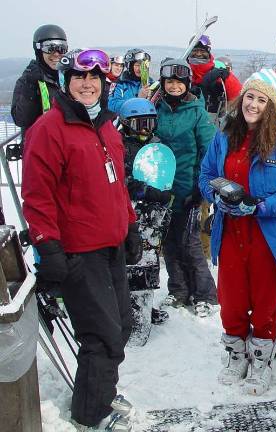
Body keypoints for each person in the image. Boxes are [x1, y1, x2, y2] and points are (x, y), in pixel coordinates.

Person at [21, 49, 138, 432]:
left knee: (119, 326)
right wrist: (48, 247)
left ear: (104, 84)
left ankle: (102, 393)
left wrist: (131, 226)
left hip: (111, 245)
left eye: (94, 79)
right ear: (67, 84)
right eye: (78, 79)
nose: (87, 85)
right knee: (101, 335)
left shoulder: (106, 126)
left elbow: (118, 185)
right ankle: (91, 414)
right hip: (78, 251)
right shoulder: (50, 129)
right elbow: (37, 197)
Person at [199, 68, 276, 395]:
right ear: (241, 97)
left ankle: (261, 362)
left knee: (264, 302)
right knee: (231, 299)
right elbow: (206, 174)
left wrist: (259, 206)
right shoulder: (224, 135)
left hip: (267, 234)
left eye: (262, 99)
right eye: (250, 96)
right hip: (231, 229)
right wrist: (215, 194)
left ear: (272, 106)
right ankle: (236, 355)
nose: (253, 104)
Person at [154, 58, 218, 317]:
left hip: (188, 186)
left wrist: (199, 189)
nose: (174, 87)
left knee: (190, 241)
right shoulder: (156, 108)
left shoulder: (196, 112)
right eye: (169, 82)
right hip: (161, 188)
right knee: (168, 242)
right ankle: (178, 289)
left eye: (179, 82)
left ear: (187, 84)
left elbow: (208, 151)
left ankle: (205, 293)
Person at [119, 97, 174, 333]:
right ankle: (124, 307)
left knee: (149, 258)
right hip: (126, 211)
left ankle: (145, 302)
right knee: (128, 260)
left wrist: (163, 193)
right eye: (139, 124)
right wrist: (132, 184)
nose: (145, 129)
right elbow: (116, 174)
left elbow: (164, 173)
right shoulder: (118, 144)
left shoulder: (156, 145)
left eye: (150, 123)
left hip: (153, 213)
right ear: (125, 123)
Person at [11, 24, 67, 138]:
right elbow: (20, 119)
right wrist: (31, 88)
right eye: (49, 48)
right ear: (38, 50)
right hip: (39, 146)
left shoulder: (68, 77)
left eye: (61, 48)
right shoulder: (27, 80)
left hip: (65, 143)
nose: (56, 54)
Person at [187, 35, 242, 115]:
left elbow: (239, 98)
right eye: (195, 50)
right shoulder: (183, 72)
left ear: (208, 52)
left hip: (213, 122)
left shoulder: (220, 75)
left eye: (202, 51)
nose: (198, 54)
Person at [108, 48, 153, 114]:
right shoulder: (120, 84)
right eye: (137, 65)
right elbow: (112, 105)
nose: (140, 69)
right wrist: (138, 100)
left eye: (143, 65)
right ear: (130, 67)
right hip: (126, 121)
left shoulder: (151, 84)